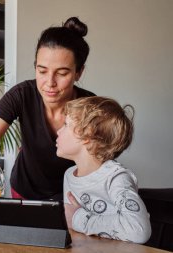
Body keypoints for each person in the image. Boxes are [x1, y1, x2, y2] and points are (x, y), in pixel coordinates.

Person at [0, 17, 95, 200]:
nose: (50, 83)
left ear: (79, 72)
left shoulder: (91, 108)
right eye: (42, 71)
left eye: (62, 73)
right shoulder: (22, 94)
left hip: (73, 195)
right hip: (25, 189)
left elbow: (98, 163)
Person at [57, 96, 151, 243]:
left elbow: (138, 230)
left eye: (65, 125)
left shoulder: (116, 177)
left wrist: (78, 218)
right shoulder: (69, 175)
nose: (58, 131)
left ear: (87, 134)